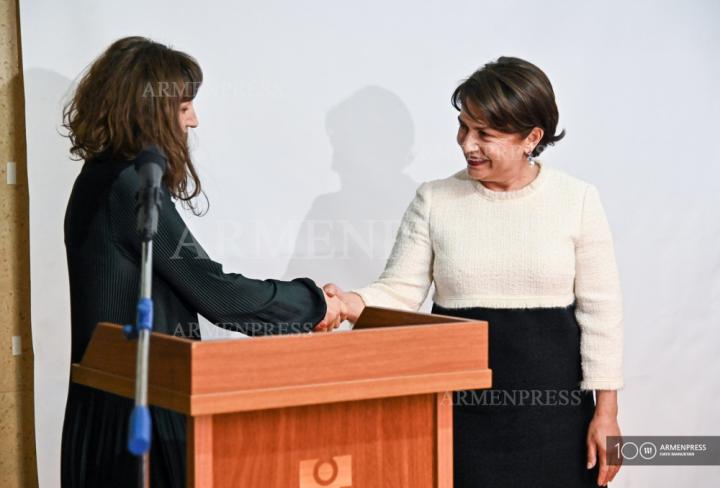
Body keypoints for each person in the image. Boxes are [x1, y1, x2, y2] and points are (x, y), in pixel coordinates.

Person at [60, 36, 346, 487]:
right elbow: (216, 292)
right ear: (147, 109)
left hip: (104, 407)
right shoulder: (132, 184)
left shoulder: (97, 178)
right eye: (184, 107)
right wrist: (315, 304)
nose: (194, 120)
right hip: (139, 410)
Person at [325, 56, 623, 487]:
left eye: (485, 134)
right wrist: (349, 303)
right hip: (460, 416)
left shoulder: (576, 200)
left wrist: (606, 412)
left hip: (558, 420)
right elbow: (399, 289)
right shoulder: (435, 199)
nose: (467, 144)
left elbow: (601, 313)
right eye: (464, 127)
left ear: (531, 138)